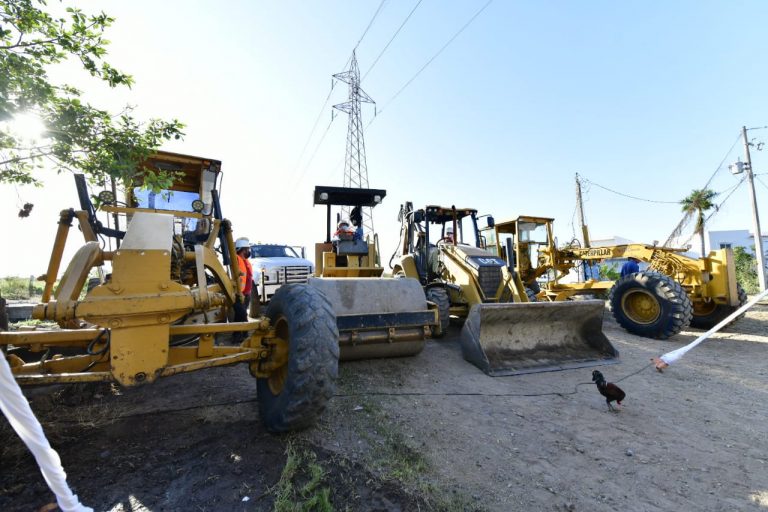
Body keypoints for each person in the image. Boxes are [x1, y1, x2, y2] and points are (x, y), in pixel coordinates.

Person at [233, 238, 253, 336]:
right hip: (239, 294)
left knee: (239, 316)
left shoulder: (246, 261)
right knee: (242, 315)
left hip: (246, 293)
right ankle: (244, 335)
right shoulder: (236, 259)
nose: (248, 251)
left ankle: (237, 335)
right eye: (247, 249)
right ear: (242, 250)